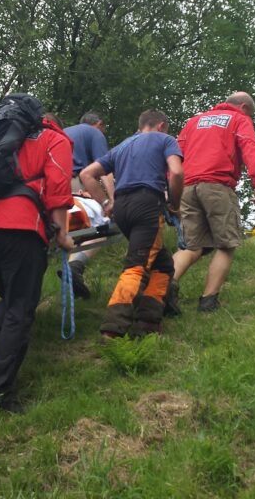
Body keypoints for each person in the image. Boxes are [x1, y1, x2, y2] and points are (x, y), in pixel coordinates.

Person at [0, 106, 74, 414]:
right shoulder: (53, 139)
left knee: (13, 298)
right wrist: (61, 234)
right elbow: (58, 189)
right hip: (20, 226)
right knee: (20, 309)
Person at [79, 109, 183, 340]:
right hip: (147, 202)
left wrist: (106, 203)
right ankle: (112, 328)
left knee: (163, 265)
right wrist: (174, 204)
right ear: (161, 125)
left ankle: (148, 320)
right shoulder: (165, 139)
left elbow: (87, 174)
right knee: (138, 264)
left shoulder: (122, 146)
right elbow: (176, 172)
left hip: (122, 207)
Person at [167, 92, 255, 315]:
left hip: (186, 188)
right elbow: (250, 147)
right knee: (226, 244)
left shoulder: (193, 122)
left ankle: (164, 287)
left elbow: (175, 156)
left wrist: (170, 191)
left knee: (191, 246)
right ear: (243, 107)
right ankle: (208, 301)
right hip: (217, 186)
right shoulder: (239, 119)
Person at [62, 112, 116, 298]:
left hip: (55, 186)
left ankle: (73, 275)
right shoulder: (95, 134)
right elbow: (104, 170)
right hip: (75, 183)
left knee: (76, 229)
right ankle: (76, 266)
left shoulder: (63, 132)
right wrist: (111, 199)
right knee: (103, 226)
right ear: (99, 124)